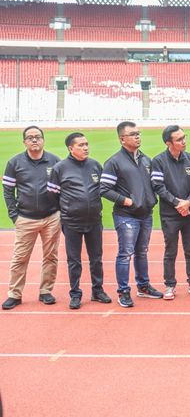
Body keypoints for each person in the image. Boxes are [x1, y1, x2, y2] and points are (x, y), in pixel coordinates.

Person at [100, 121, 163, 308]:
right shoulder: (114, 162)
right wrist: (125, 200)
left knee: (142, 252)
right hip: (126, 215)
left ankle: (143, 286)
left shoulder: (146, 160)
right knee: (126, 253)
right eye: (133, 134)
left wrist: (151, 200)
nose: (137, 137)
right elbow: (103, 188)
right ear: (122, 139)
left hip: (146, 213)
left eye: (138, 133)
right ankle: (123, 291)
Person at [48, 132, 112, 309]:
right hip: (71, 222)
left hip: (94, 221)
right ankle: (75, 294)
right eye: (81, 145)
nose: (86, 148)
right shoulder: (60, 168)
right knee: (74, 260)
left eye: (86, 144)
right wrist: (69, 210)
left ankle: (97, 291)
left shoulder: (95, 165)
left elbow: (103, 188)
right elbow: (53, 196)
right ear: (70, 148)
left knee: (96, 258)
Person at [2, 126, 61, 310]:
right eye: (30, 138)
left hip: (51, 216)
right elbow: (8, 190)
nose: (34, 140)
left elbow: (63, 188)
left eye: (37, 137)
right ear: (24, 142)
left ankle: (45, 291)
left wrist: (59, 211)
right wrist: (14, 214)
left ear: (43, 139)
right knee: (20, 258)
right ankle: (14, 294)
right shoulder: (14, 163)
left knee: (51, 256)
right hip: (25, 218)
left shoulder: (55, 161)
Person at [151, 125, 190, 300]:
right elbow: (158, 186)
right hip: (170, 215)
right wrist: (176, 203)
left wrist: (188, 201)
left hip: (189, 213)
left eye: (184, 137)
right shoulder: (158, 161)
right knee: (170, 251)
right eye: (179, 139)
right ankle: (170, 285)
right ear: (168, 143)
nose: (184, 141)